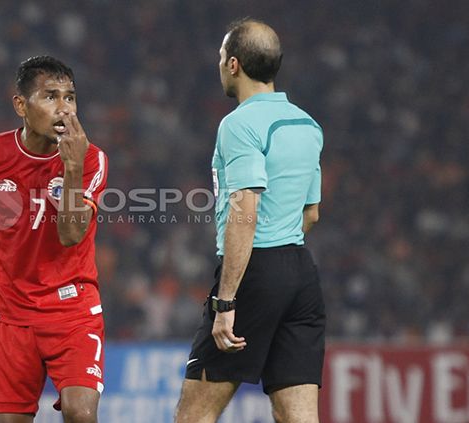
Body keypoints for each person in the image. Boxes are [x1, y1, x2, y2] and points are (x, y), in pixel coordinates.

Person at [0, 56, 108, 423]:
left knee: (81, 412)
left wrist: (71, 169)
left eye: (70, 98)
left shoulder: (90, 159)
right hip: (12, 316)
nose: (64, 109)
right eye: (50, 97)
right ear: (21, 106)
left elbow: (72, 234)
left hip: (72, 311)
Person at [174, 19, 325, 423]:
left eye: (222, 57)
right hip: (300, 273)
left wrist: (226, 302)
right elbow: (311, 213)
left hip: (253, 272)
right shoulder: (307, 125)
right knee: (298, 416)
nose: (219, 64)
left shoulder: (239, 125)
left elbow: (244, 213)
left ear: (235, 65)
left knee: (194, 415)